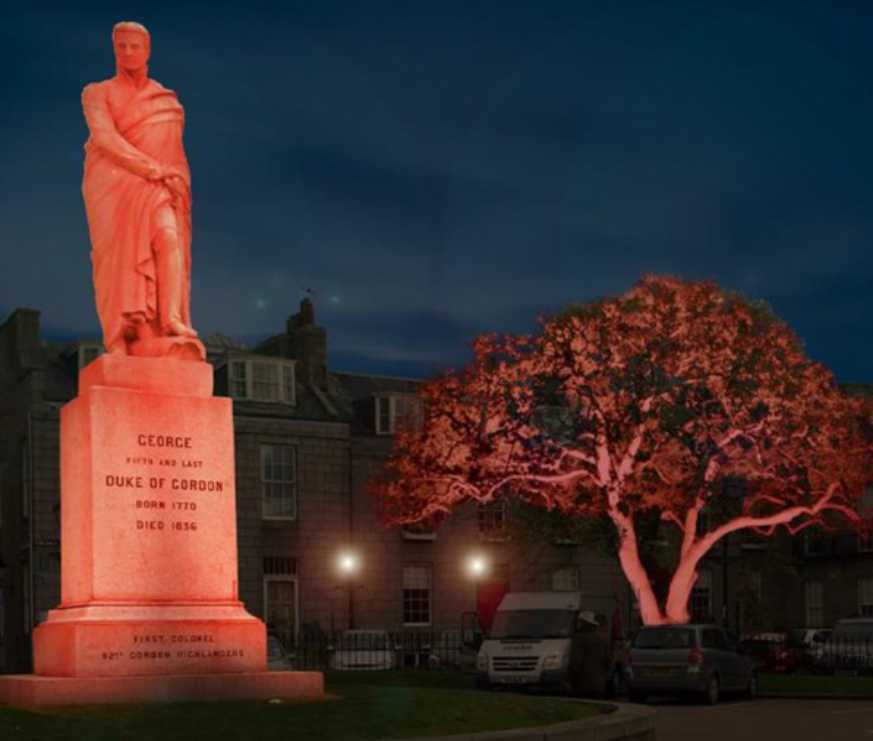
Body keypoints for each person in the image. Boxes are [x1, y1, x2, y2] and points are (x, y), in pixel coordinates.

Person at [82, 21, 198, 356]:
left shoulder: (166, 101)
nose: (129, 52)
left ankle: (171, 318)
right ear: (114, 49)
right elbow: (105, 138)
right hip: (115, 187)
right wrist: (152, 168)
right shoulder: (97, 92)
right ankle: (123, 335)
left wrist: (175, 178)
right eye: (122, 46)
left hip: (158, 186)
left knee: (169, 238)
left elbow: (174, 151)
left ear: (147, 51)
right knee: (118, 260)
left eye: (136, 46)